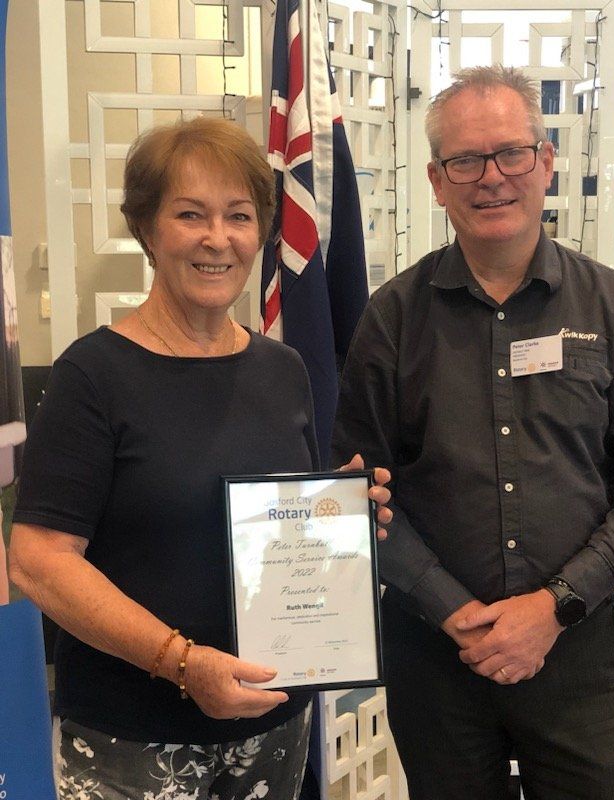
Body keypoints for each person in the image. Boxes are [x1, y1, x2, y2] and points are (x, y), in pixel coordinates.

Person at [9, 116, 391, 800]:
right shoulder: (93, 375)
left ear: (262, 233)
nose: (218, 239)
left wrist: (342, 519)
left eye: (239, 216)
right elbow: (38, 560)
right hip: (131, 738)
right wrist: (182, 663)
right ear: (148, 229)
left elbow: (273, 525)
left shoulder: (283, 369)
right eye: (191, 214)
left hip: (273, 725)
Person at [332, 65, 614, 800]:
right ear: (436, 180)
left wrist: (551, 609)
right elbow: (355, 498)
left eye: (510, 153)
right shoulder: (391, 319)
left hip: (579, 653)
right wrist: (451, 610)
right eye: (464, 160)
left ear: (545, 161)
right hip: (436, 660)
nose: (490, 177)